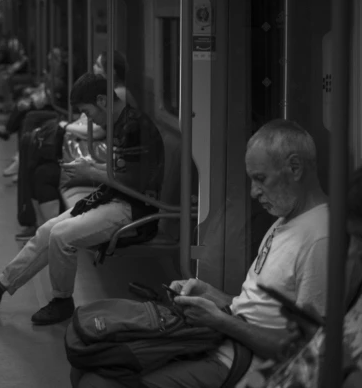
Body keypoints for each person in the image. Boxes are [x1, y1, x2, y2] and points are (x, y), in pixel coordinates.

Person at [70, 119, 362, 388]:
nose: (253, 192)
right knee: (92, 360)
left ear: (295, 168)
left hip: (246, 364)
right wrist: (211, 295)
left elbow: (304, 351)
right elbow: (257, 309)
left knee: (97, 381)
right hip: (224, 340)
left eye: (261, 178)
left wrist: (221, 321)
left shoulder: (320, 238)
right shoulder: (286, 220)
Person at [0, 73, 164, 325]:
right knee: (47, 230)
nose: (90, 119)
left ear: (103, 101)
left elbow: (133, 183)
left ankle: (62, 301)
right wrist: (92, 165)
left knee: (61, 236)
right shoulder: (120, 123)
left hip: (135, 208)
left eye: (88, 111)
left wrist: (90, 171)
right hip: (117, 198)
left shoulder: (134, 127)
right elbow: (121, 171)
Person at [253, 167, 362, 388]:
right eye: (351, 239)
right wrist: (316, 335)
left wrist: (344, 368)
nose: (353, 253)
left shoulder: (316, 238)